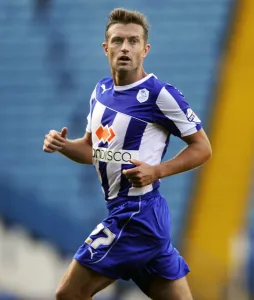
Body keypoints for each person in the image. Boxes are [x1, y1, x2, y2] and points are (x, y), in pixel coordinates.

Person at [43, 8, 212, 300]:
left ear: (145, 50)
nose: (125, 48)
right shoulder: (100, 91)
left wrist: (156, 171)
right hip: (135, 216)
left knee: (69, 294)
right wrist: (63, 145)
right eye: (118, 40)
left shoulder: (159, 94)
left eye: (133, 41)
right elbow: (91, 150)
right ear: (105, 47)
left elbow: (203, 148)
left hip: (137, 213)